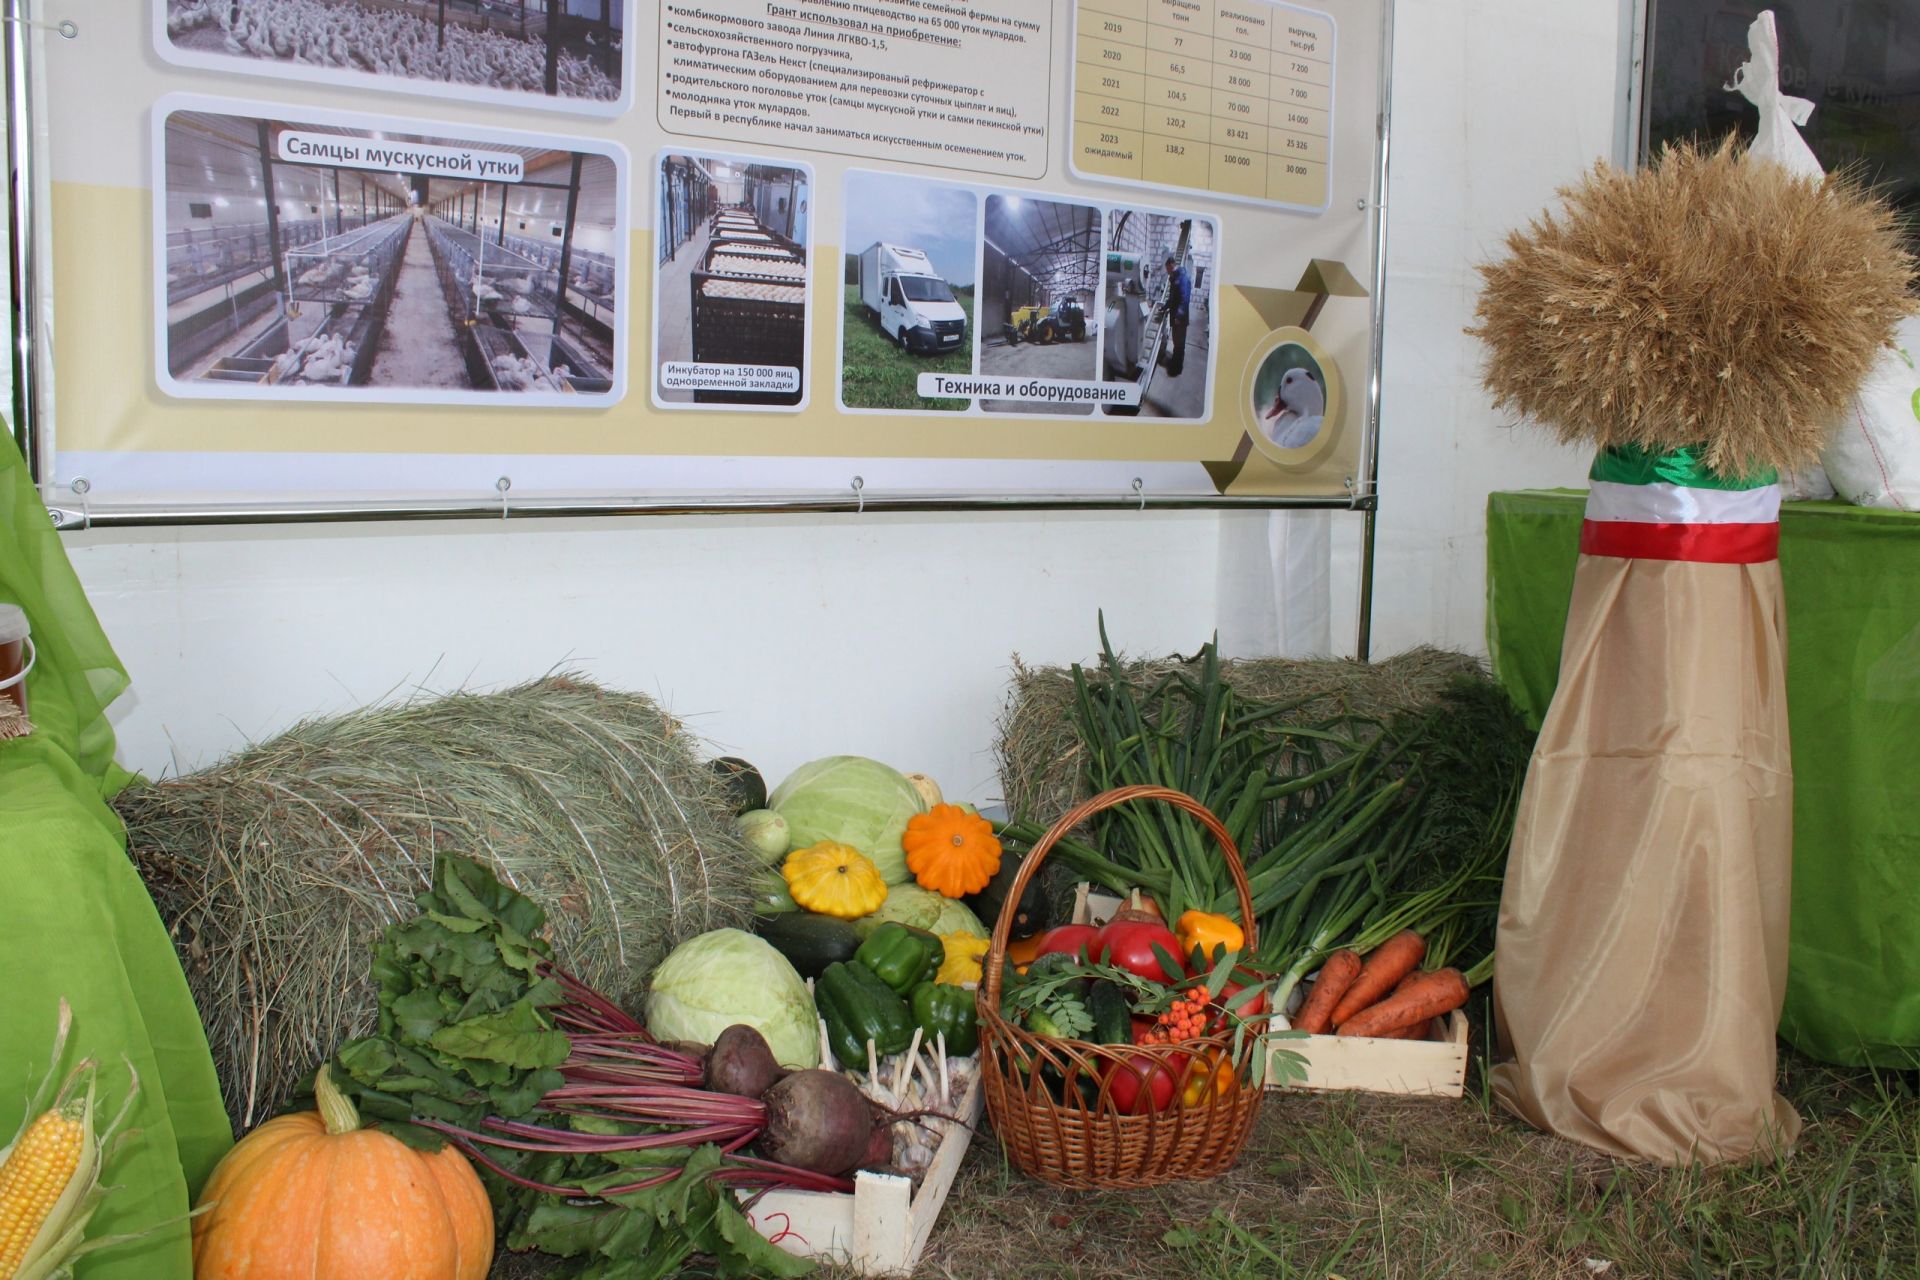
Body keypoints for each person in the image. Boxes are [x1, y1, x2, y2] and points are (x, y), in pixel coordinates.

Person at [1160, 254, 1191, 377]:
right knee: (1176, 343)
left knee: (1179, 345)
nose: (1167, 272)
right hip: (1175, 319)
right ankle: (1174, 362)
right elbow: (1172, 298)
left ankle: (1177, 369)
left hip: (1180, 320)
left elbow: (1185, 299)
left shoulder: (1183, 278)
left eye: (1167, 269)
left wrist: (1178, 316)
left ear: (1171, 265)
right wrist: (1164, 307)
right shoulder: (1175, 278)